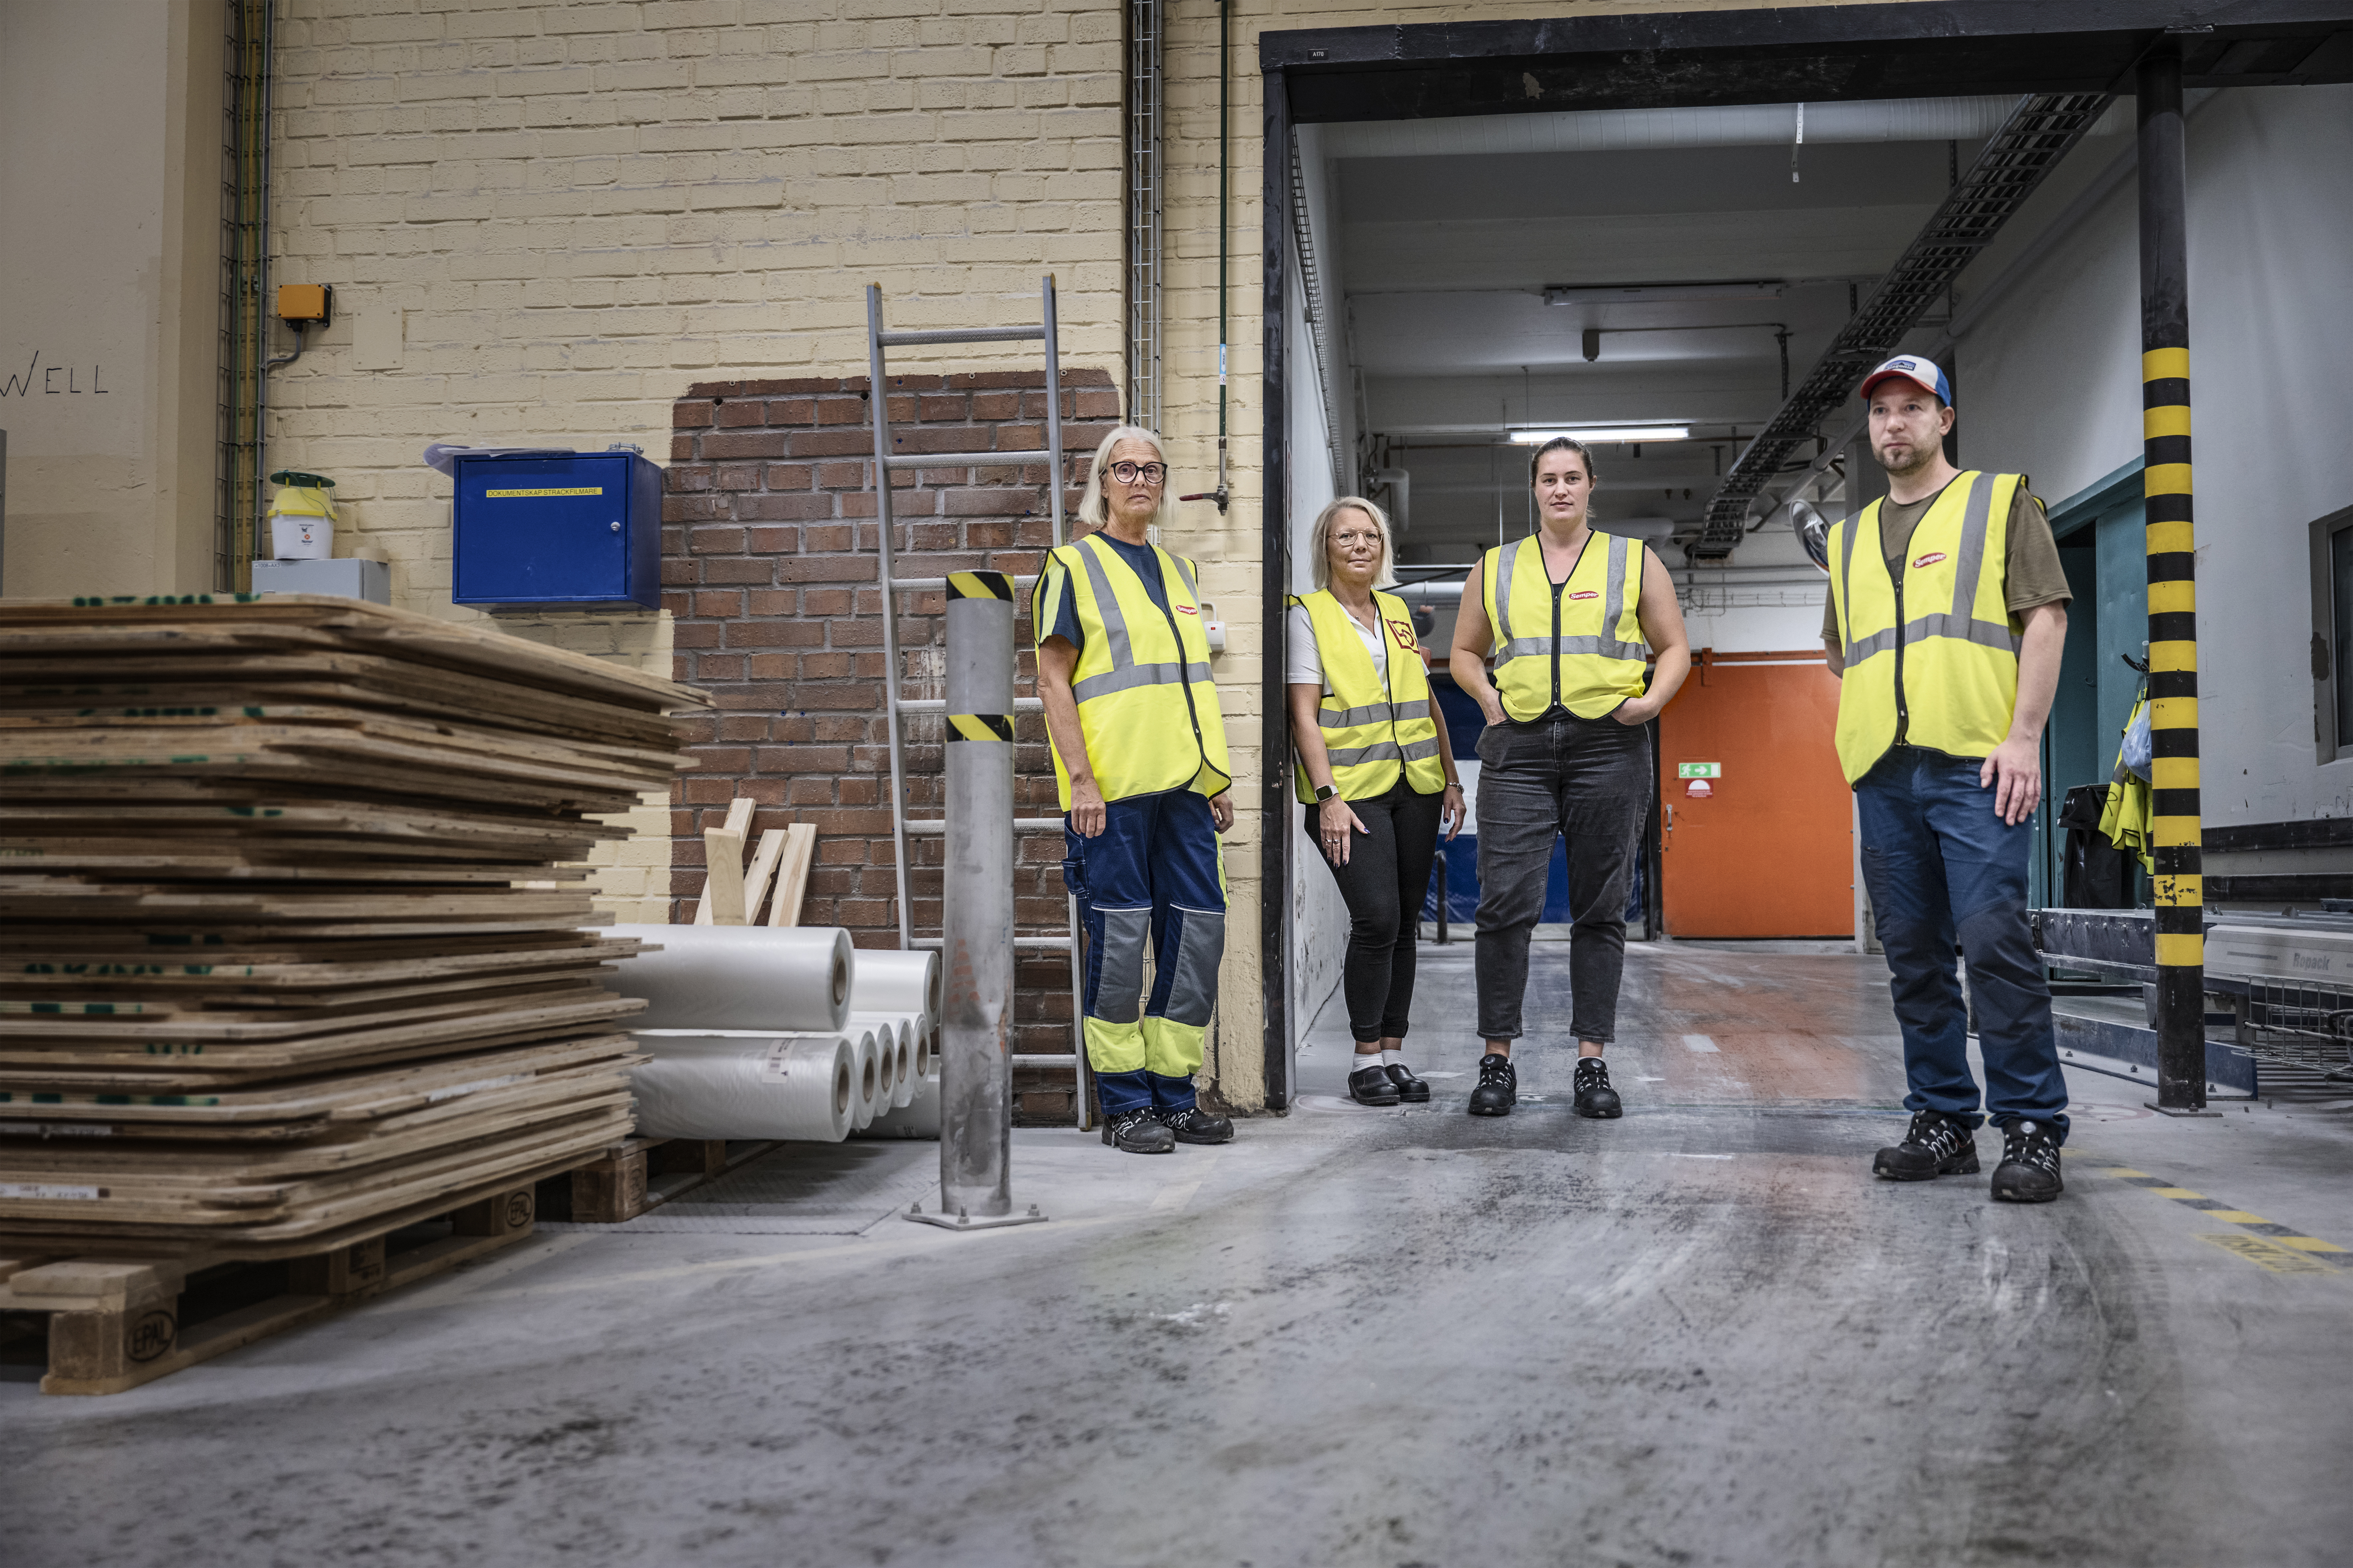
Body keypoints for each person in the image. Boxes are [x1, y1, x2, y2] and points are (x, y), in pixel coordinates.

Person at [1822, 354, 2073, 1202]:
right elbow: (1840, 648)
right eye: (1882, 411)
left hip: (1978, 763)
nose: (1894, 424)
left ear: (1945, 419)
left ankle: (2032, 1127)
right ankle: (1942, 1118)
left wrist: (2024, 736)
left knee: (1995, 944)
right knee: (1913, 957)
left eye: (1912, 408)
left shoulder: (2000, 503)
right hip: (1884, 774)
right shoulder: (1850, 536)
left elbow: (2045, 618)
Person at [1447, 438, 1692, 1119]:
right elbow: (1464, 651)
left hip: (1608, 746)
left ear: (1591, 486)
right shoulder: (1496, 567)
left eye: (1572, 477)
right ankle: (1496, 1060)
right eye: (1548, 478)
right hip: (1518, 749)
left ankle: (1592, 1063)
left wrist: (1648, 705)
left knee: (1599, 907)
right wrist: (1488, 700)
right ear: (1534, 488)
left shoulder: (1631, 560)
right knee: (1504, 907)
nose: (1560, 488)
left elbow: (1673, 647)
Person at [1034, 426, 1237, 1156]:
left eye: (1153, 468)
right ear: (1103, 481)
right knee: (1120, 943)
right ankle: (1124, 1104)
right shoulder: (1071, 566)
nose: (1141, 479)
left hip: (1184, 790)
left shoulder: (1180, 574)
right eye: (1126, 468)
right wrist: (1080, 779)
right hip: (1112, 793)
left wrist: (1213, 777)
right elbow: (1052, 678)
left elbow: (1190, 687)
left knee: (1196, 937)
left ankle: (1174, 1094)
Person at [1287, 497, 1467, 1107]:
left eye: (1370, 536)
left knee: (1405, 927)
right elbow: (1303, 716)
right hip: (1350, 796)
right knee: (1377, 919)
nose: (1361, 545)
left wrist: (1451, 778)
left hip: (1414, 787)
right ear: (1327, 548)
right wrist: (1328, 797)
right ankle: (1364, 1059)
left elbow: (1427, 699)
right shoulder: (1307, 615)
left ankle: (1394, 1054)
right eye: (1346, 537)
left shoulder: (1396, 613)